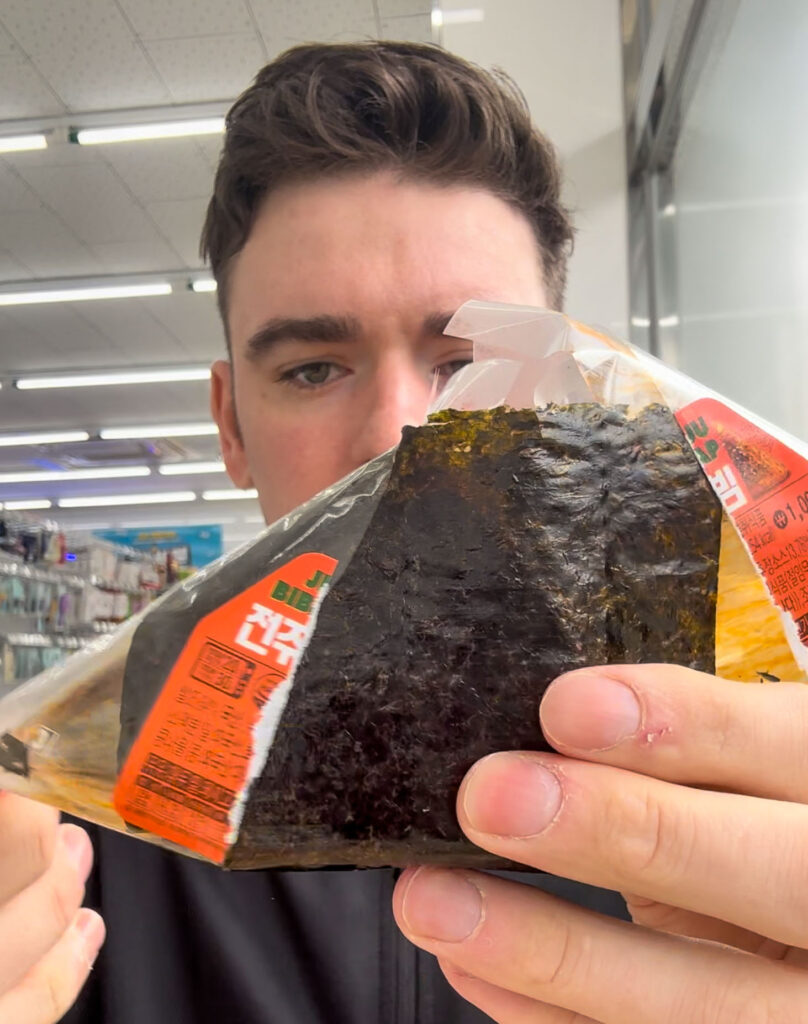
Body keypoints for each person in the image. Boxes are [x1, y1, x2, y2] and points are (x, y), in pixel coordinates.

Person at [2, 40, 807, 1024]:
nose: (400, 435)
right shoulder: (67, 842)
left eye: (467, 361)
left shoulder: (744, 784)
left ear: (564, 394)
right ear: (229, 426)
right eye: (311, 368)